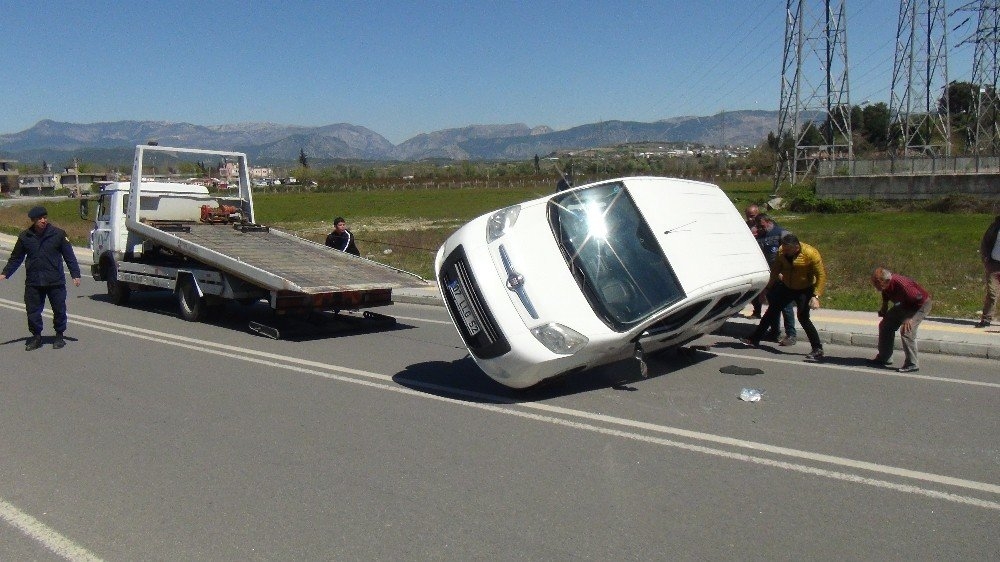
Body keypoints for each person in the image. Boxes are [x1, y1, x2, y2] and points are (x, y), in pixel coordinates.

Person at [0, 206, 82, 350]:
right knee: (33, 311)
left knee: (59, 309)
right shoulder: (25, 237)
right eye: (40, 219)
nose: (43, 221)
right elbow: (16, 258)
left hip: (55, 280)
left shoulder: (58, 234)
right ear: (33, 220)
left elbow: (69, 256)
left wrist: (75, 274)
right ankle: (36, 337)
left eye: (45, 218)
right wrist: (5, 273)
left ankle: (59, 336)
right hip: (34, 281)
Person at [741, 233, 827, 361]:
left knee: (803, 318)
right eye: (784, 249)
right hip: (787, 287)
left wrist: (816, 296)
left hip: (804, 289)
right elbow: (775, 270)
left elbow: (821, 276)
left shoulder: (811, 254)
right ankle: (754, 339)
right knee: (772, 311)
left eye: (788, 250)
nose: (785, 252)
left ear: (796, 247)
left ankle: (817, 348)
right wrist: (767, 289)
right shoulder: (782, 252)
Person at [868, 267, 931, 373]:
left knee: (907, 331)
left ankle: (912, 364)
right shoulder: (886, 285)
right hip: (904, 304)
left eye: (877, 284)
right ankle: (884, 357)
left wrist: (909, 318)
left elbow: (918, 299)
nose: (875, 287)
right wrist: (885, 306)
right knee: (885, 326)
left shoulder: (903, 285)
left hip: (920, 306)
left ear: (886, 281)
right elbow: (885, 291)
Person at [755, 214, 797, 346]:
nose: (760, 228)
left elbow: (793, 250)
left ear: (768, 222)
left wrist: (786, 271)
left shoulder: (781, 233)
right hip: (771, 276)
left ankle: (791, 334)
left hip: (783, 276)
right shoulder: (760, 237)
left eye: (762, 225)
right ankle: (774, 332)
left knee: (786, 306)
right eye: (758, 226)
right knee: (773, 305)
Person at [976, 214, 1000, 328]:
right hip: (994, 265)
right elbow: (985, 242)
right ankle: (986, 319)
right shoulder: (995, 227)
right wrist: (985, 258)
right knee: (992, 293)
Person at [744, 204, 762, 317]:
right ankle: (757, 311)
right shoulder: (744, 226)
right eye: (748, 216)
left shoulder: (762, 226)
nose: (750, 219)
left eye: (752, 216)